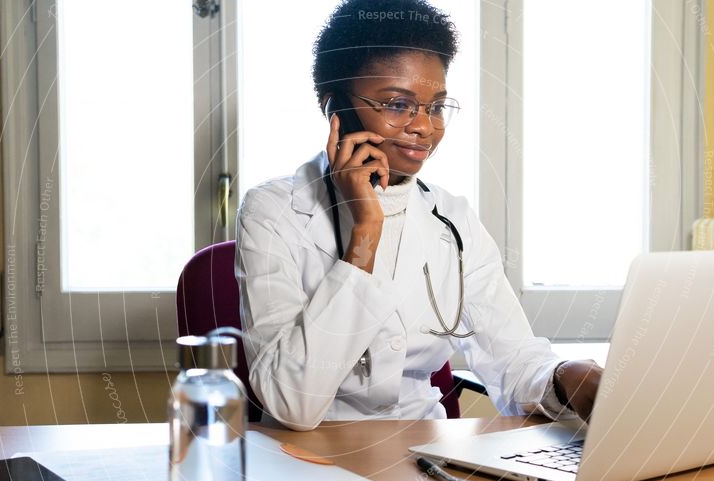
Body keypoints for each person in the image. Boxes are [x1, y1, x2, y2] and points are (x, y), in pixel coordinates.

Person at [235, 0, 601, 431]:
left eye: (436, 106)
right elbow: (291, 403)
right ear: (336, 110)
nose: (424, 127)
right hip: (309, 460)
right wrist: (366, 232)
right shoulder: (273, 212)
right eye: (397, 104)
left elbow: (513, 359)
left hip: (425, 455)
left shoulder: (452, 217)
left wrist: (567, 378)